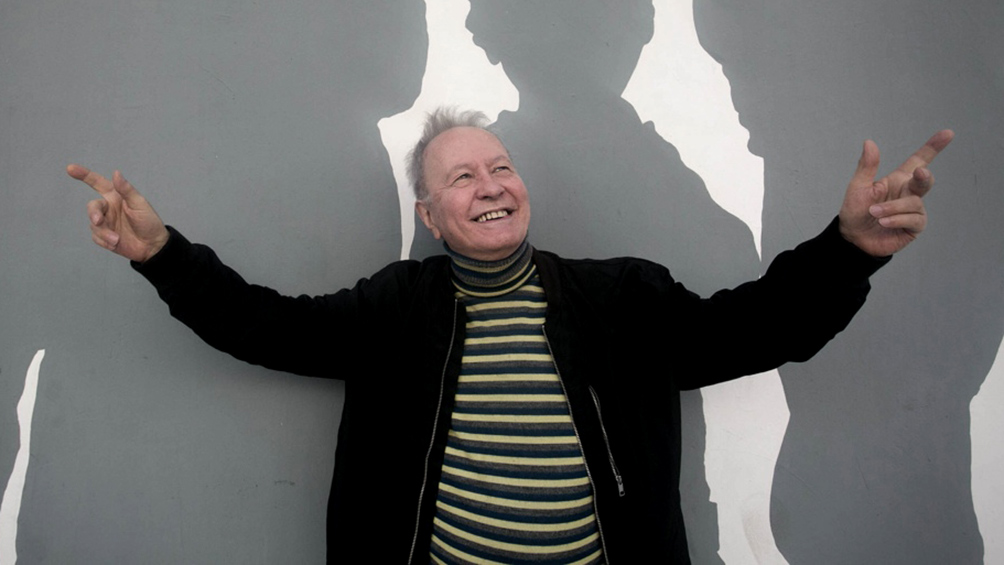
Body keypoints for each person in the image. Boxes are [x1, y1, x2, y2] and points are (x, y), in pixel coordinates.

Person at [68, 108, 952, 563]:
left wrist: (847, 250)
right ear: (430, 215)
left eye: (501, 166)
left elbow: (751, 330)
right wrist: (162, 253)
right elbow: (269, 326)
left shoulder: (622, 295)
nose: (491, 183)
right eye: (462, 176)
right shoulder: (395, 306)